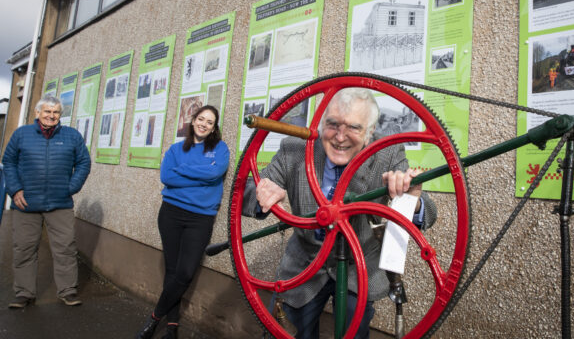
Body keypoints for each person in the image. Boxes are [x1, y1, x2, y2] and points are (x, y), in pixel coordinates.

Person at [243, 87, 437, 339]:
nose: (340, 137)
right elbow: (245, 193)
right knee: (283, 332)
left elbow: (428, 213)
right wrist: (262, 193)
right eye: (332, 124)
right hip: (305, 263)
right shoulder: (295, 148)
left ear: (370, 132)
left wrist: (412, 198)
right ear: (321, 122)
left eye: (354, 128)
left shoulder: (388, 154)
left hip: (359, 267)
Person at [136, 105, 229, 339]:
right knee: (172, 270)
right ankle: (172, 327)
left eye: (210, 122)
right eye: (201, 119)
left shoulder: (220, 149)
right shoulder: (176, 149)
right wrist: (200, 177)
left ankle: (154, 318)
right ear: (193, 120)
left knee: (185, 272)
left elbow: (215, 173)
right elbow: (167, 176)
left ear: (214, 127)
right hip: (171, 214)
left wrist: (184, 171)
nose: (204, 124)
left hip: (201, 218)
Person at [2, 95, 91, 309]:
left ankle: (67, 291)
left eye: (56, 112)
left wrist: (70, 188)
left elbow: (83, 162)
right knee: (24, 249)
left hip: (59, 204)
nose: (52, 116)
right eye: (47, 111)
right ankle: (24, 293)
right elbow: (9, 162)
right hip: (25, 204)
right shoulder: (21, 134)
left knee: (65, 249)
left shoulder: (71, 136)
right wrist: (14, 190)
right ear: (37, 113)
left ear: (60, 114)